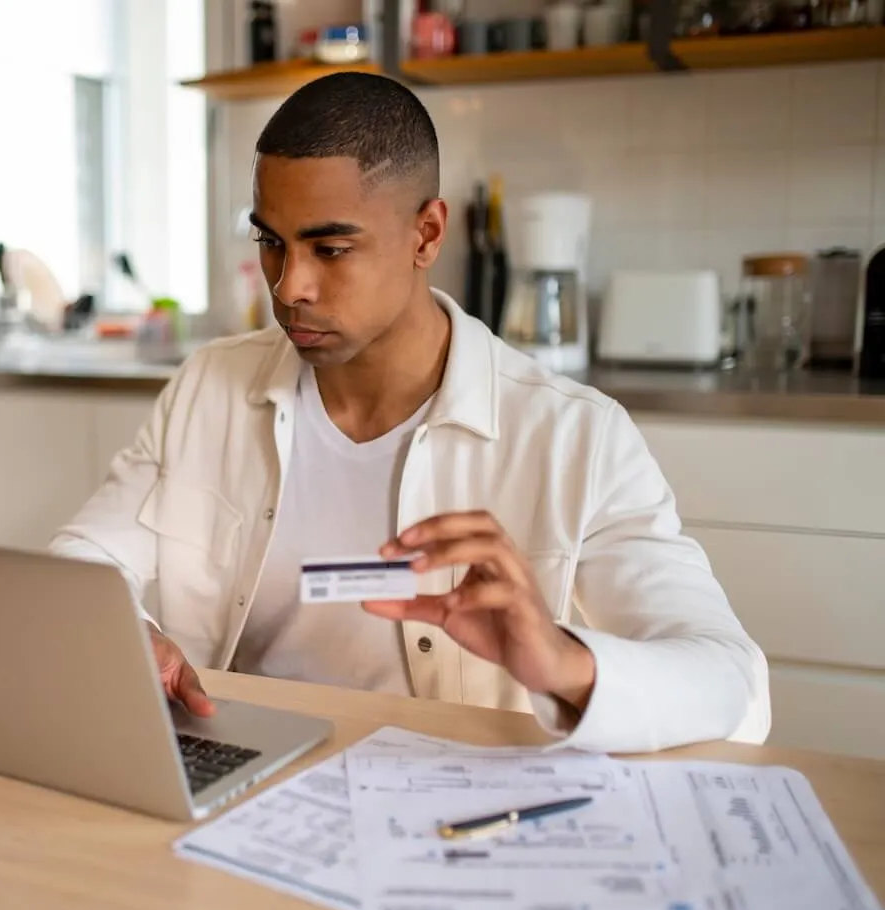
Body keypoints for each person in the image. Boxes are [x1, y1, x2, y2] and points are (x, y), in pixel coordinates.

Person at [49, 72, 769, 754]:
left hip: (446, 807)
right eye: (272, 242)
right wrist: (133, 634)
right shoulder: (210, 386)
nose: (290, 285)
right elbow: (80, 564)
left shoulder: (575, 434)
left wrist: (561, 660)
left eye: (331, 248)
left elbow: (736, 689)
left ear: (426, 234)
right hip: (235, 770)